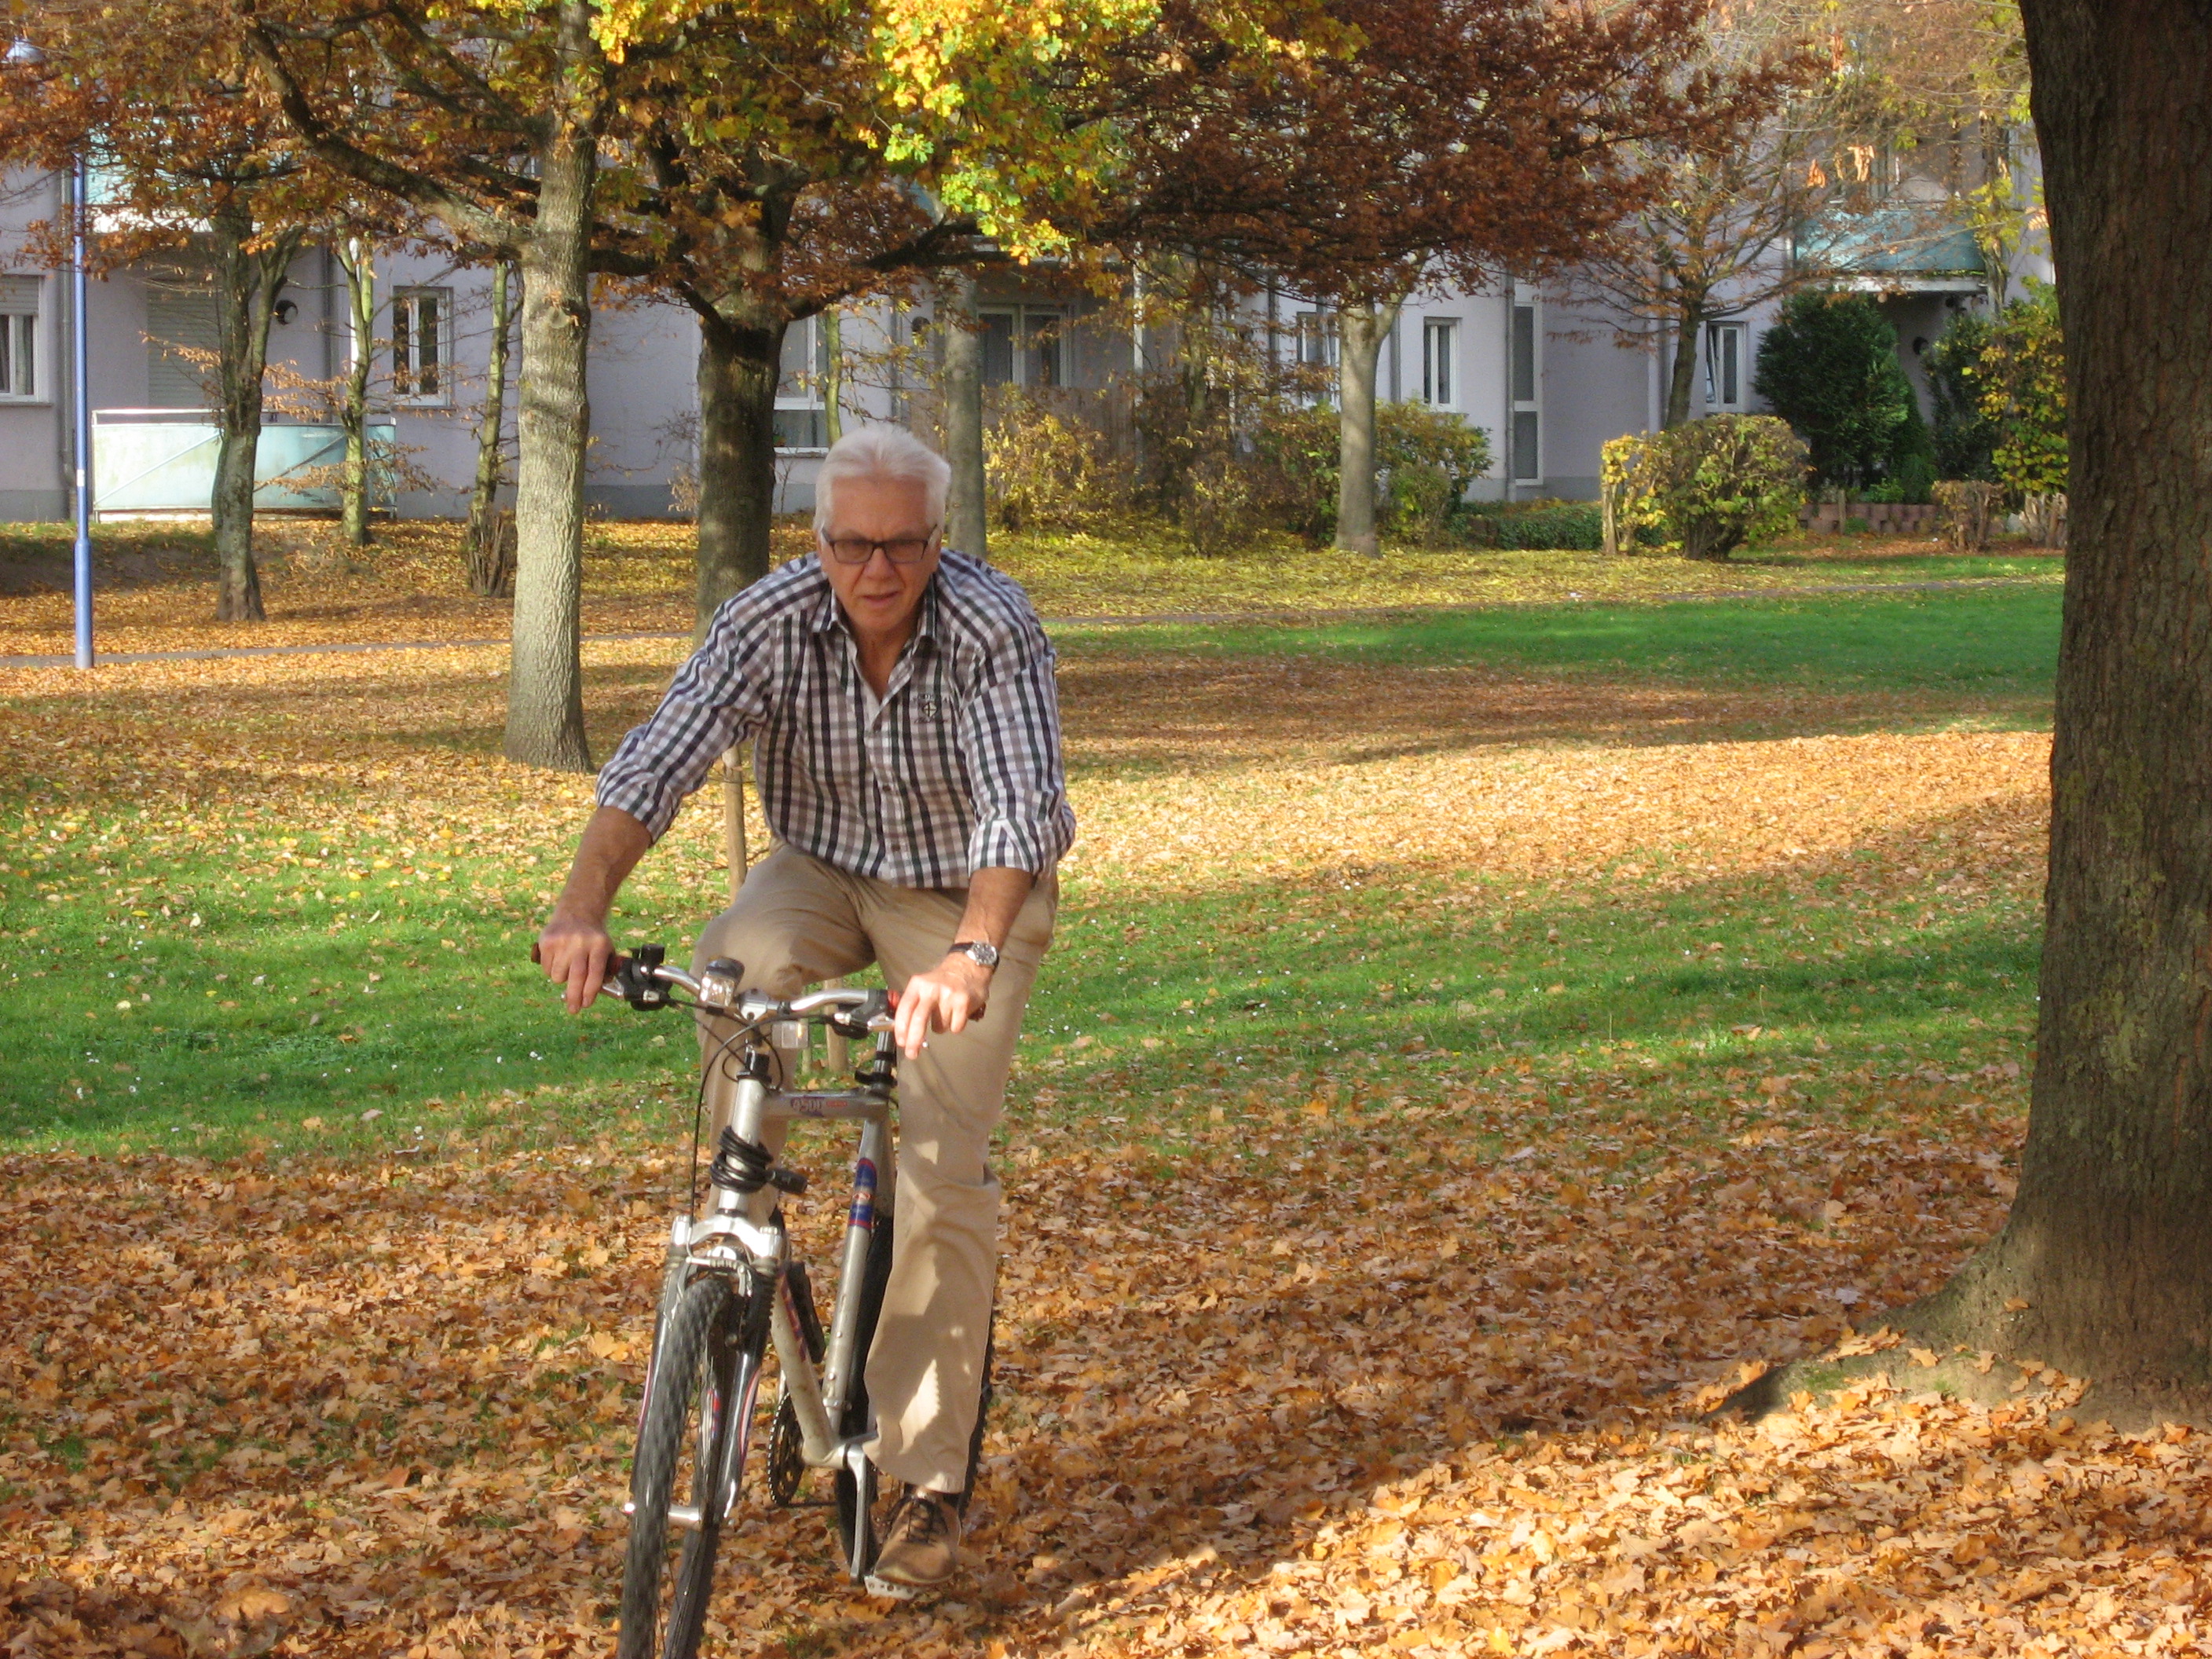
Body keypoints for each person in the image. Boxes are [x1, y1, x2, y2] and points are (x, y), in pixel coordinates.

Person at [534, 425, 1071, 1593]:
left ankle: (924, 1484)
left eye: (904, 546)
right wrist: (582, 907)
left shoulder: (989, 623)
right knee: (739, 968)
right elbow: (659, 758)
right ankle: (749, 1221)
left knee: (940, 1166)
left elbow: (1020, 806)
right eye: (851, 545)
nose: (877, 570)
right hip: (820, 868)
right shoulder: (768, 619)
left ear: (940, 540)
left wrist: (972, 955)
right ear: (817, 539)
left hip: (964, 891)